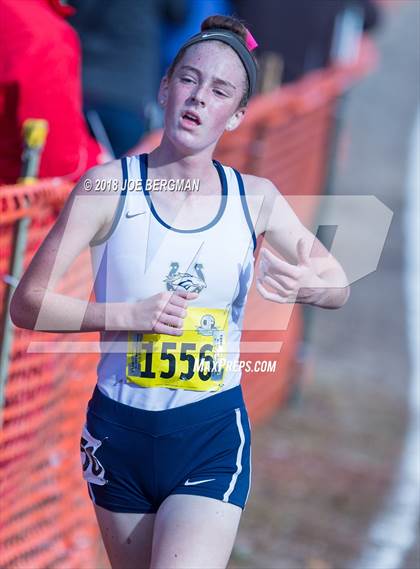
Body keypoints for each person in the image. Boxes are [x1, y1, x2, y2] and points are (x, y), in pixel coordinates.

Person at [10, 14, 350, 569]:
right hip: (118, 432)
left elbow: (336, 283)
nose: (198, 98)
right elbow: (28, 302)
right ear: (165, 88)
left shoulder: (255, 198)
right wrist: (126, 313)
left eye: (219, 91)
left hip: (207, 433)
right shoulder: (108, 187)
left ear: (238, 115)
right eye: (189, 80)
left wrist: (307, 283)